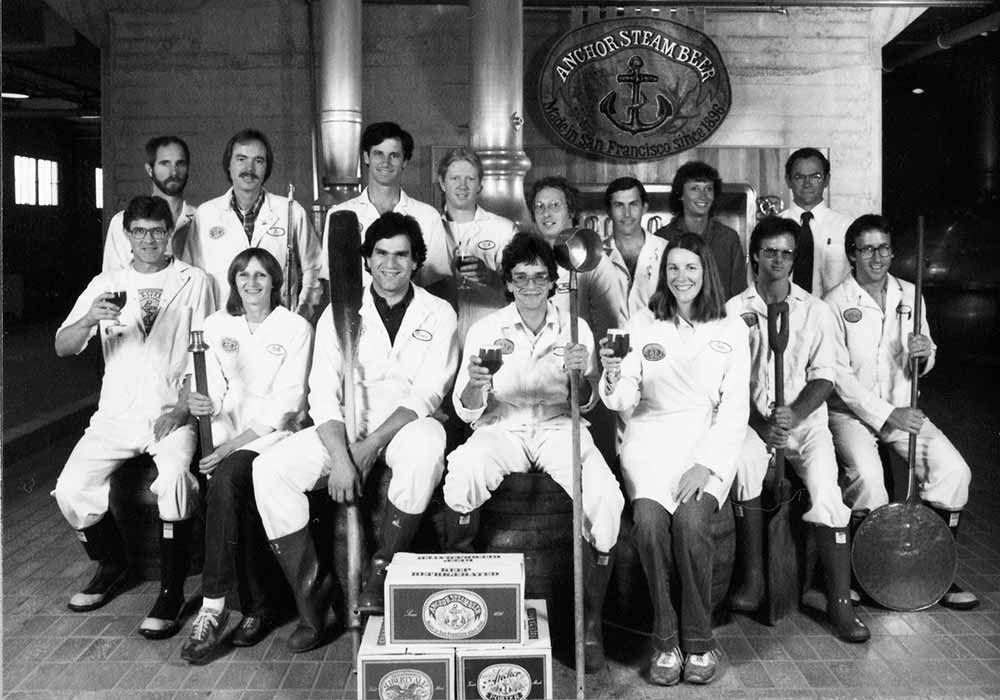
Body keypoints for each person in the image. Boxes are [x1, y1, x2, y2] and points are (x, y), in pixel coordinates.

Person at [253, 212, 458, 652]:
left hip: (402, 429)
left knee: (428, 447)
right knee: (269, 470)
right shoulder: (339, 313)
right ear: (366, 259)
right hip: (344, 429)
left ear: (416, 260)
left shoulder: (438, 313)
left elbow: (427, 394)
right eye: (380, 253)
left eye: (401, 255)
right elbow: (322, 396)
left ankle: (379, 575)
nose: (390, 264)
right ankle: (314, 601)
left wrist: (368, 448)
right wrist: (343, 456)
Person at [442, 232, 625, 674]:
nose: (529, 287)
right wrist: (475, 386)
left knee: (605, 496)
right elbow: (466, 411)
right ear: (507, 283)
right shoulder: (486, 329)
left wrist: (582, 377)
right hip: (502, 425)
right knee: (463, 471)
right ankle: (462, 595)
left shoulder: (575, 329)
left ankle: (590, 624)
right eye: (520, 278)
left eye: (539, 277)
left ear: (552, 282)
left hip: (557, 426)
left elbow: (587, 405)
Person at [53, 195, 212, 639]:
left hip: (169, 411)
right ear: (127, 236)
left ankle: (171, 591)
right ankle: (114, 565)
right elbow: (64, 345)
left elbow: (207, 350)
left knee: (175, 481)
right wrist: (88, 319)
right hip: (116, 414)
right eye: (139, 231)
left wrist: (182, 409)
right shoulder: (106, 282)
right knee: (70, 488)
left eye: (157, 231)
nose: (148, 239)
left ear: (169, 234)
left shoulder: (193, 280)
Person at [600, 233, 749, 686]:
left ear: (707, 274)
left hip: (706, 442)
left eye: (691, 268)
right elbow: (624, 397)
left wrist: (705, 464)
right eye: (673, 268)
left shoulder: (731, 327)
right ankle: (666, 640)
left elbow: (735, 408)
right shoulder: (643, 325)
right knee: (647, 523)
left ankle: (699, 642)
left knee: (690, 522)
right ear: (663, 275)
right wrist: (611, 374)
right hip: (649, 440)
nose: (681, 277)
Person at [725, 217, 869, 644]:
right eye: (769, 251)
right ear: (755, 255)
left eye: (787, 253)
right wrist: (761, 423)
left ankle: (840, 604)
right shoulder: (735, 310)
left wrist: (795, 414)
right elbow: (730, 381)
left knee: (826, 488)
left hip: (806, 425)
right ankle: (752, 578)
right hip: (753, 423)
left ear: (795, 258)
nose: (778, 260)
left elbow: (825, 377)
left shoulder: (816, 310)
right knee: (745, 463)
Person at [824, 214, 976, 609]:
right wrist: (887, 415)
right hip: (851, 415)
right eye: (867, 249)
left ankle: (935, 570)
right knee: (870, 480)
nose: (877, 257)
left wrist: (925, 354)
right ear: (852, 254)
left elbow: (925, 356)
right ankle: (867, 573)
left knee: (954, 471)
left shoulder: (911, 293)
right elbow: (839, 378)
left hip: (905, 409)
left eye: (884, 248)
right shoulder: (834, 303)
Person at [180, 248, 314, 663]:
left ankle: (214, 607)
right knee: (219, 488)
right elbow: (208, 386)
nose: (252, 283)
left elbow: (287, 403)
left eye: (260, 276)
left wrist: (227, 449)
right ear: (233, 282)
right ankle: (252, 605)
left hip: (269, 438)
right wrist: (198, 401)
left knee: (230, 476)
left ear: (275, 281)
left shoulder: (296, 327)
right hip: (220, 434)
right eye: (243, 276)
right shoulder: (215, 325)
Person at [184, 128, 322, 318]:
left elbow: (314, 268)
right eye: (241, 159)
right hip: (222, 326)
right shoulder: (205, 214)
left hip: (278, 325)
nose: (249, 169)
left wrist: (302, 311)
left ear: (267, 167)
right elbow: (191, 278)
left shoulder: (291, 211)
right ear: (229, 165)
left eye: (258, 161)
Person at [321, 122, 451, 297]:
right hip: (358, 319)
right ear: (366, 157)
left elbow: (437, 283)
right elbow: (330, 280)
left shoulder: (427, 216)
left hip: (413, 318)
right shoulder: (340, 216)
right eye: (378, 154)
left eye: (394, 155)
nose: (385, 162)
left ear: (405, 161)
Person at [528, 175, 626, 346]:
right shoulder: (528, 260)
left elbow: (608, 327)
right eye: (539, 207)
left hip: (581, 365)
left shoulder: (593, 260)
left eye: (555, 205)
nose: (546, 213)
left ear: (571, 212)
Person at [437, 147, 517, 340]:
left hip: (490, 333)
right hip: (439, 334)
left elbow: (518, 285)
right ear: (442, 183)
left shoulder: (503, 229)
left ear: (480, 185)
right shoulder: (428, 227)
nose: (462, 186)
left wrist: (488, 276)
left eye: (470, 179)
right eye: (455, 178)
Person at [653, 161, 747, 300]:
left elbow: (739, 296)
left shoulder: (728, 238)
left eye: (708, 189)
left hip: (720, 320)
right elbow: (656, 293)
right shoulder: (662, 239)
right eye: (694, 188)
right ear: (680, 194)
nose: (703, 196)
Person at [102, 136, 196, 270]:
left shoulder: (201, 219)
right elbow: (112, 280)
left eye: (180, 163)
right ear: (149, 170)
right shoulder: (121, 222)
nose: (174, 172)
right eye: (165, 163)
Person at [778, 148, 852, 297]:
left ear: (826, 180)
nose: (807, 183)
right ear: (788, 181)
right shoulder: (772, 227)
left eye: (815, 176)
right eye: (799, 177)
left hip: (833, 314)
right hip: (782, 314)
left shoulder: (847, 227)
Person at [603, 177, 666, 323]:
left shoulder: (666, 251)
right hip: (608, 343)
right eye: (619, 205)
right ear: (609, 211)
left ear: (644, 208)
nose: (627, 214)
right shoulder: (595, 256)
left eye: (633, 204)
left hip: (656, 342)